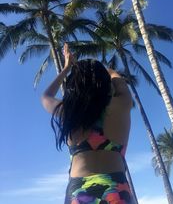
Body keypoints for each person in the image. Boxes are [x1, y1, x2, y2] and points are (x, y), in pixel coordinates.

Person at [41, 43, 133, 204]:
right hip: (117, 189)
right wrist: (107, 70)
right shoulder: (122, 104)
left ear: (73, 85)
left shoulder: (68, 112)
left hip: (79, 191)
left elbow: (46, 96)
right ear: (105, 83)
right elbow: (120, 83)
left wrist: (67, 68)